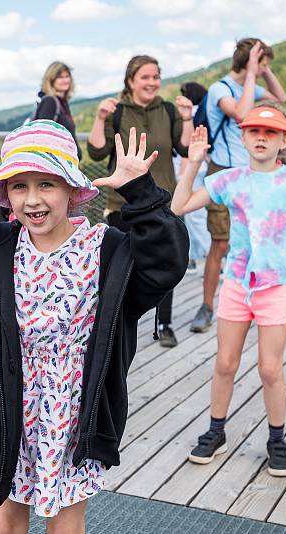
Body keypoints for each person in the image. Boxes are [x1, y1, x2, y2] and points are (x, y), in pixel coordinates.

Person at [0, 120, 189, 532]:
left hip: (76, 411)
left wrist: (140, 193)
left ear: (72, 189)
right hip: (13, 405)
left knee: (65, 525)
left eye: (47, 185)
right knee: (6, 522)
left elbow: (167, 262)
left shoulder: (108, 249)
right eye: (19, 187)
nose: (33, 200)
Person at [172, 105, 286, 474]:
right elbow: (179, 206)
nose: (261, 138)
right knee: (225, 362)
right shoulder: (230, 180)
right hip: (237, 285)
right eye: (253, 131)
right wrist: (193, 162)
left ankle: (276, 439)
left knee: (270, 369)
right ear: (242, 138)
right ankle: (216, 432)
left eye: (270, 133)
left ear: (284, 141)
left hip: (276, 287)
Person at [87, 54, 194, 347]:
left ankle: (164, 322)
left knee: (166, 262)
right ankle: (113, 321)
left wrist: (186, 119)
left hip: (163, 202)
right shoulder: (117, 112)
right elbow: (97, 152)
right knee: (117, 263)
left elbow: (184, 149)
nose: (152, 82)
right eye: (145, 77)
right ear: (131, 81)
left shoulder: (169, 110)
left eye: (156, 76)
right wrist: (99, 118)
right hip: (122, 203)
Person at [189, 38, 286, 334]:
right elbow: (243, 114)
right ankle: (207, 306)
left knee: (252, 239)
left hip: (249, 172)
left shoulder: (250, 84)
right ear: (247, 64)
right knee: (220, 243)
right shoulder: (220, 88)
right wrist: (253, 73)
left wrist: (263, 71)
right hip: (223, 171)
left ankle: (249, 301)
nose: (263, 69)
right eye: (261, 63)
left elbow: (279, 97)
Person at [176, 81, 212, 268]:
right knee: (194, 216)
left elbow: (189, 142)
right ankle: (195, 256)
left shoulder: (192, 113)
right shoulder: (206, 110)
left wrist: (184, 170)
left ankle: (207, 255)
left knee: (194, 216)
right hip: (201, 166)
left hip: (192, 167)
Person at [34, 61, 81, 158]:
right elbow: (44, 138)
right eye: (60, 77)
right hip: (55, 164)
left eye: (67, 76)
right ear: (51, 80)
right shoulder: (50, 102)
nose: (65, 80)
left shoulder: (62, 103)